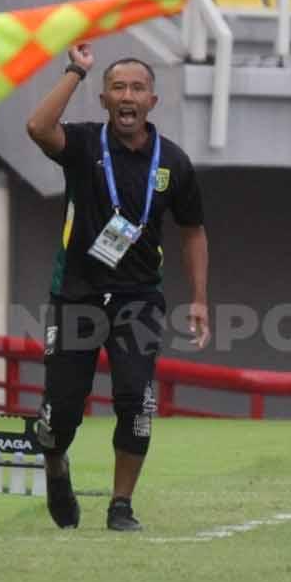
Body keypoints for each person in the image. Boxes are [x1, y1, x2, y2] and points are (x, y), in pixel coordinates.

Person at [23, 45, 209, 533]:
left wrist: (201, 299)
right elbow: (38, 128)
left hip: (139, 299)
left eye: (138, 89)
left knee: (136, 400)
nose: (128, 96)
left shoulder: (174, 162)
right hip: (77, 296)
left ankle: (120, 505)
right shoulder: (84, 145)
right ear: (104, 98)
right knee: (61, 410)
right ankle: (55, 466)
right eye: (118, 88)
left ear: (153, 100)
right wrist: (74, 72)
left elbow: (194, 231)